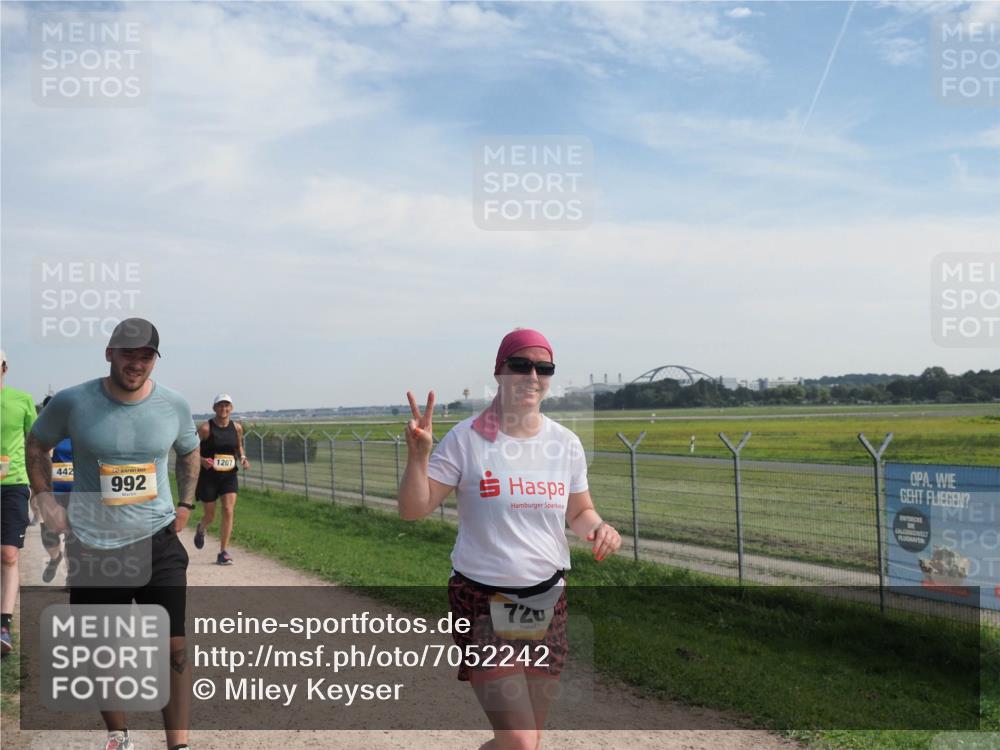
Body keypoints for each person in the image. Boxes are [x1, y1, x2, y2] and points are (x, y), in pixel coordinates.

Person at [397, 328, 622, 750]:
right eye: (520, 365)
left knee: (526, 742)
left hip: (545, 600)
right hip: (483, 600)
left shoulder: (565, 443)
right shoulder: (467, 439)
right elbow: (414, 509)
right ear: (499, 372)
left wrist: (599, 528)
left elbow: (578, 511)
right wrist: (418, 455)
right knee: (519, 740)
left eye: (544, 368)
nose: (532, 375)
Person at [26, 318, 201, 750]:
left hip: (157, 539)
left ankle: (178, 744)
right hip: (94, 545)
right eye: (128, 354)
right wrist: (45, 498)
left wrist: (185, 503)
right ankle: (119, 736)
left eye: (146, 357)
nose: (136, 364)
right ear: (110, 354)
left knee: (174, 647)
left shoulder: (173, 405)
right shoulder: (72, 401)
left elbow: (190, 451)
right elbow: (36, 444)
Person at [0, 350, 37, 656]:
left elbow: (35, 444)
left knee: (9, 554)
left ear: (5, 368)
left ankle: (4, 624)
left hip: (13, 483)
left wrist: (41, 488)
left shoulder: (22, 400)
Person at [192, 393, 249, 565]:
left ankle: (223, 551)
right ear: (214, 408)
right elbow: (191, 449)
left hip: (229, 475)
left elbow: (238, 445)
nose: (223, 409)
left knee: (228, 510)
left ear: (231, 408)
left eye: (227, 405)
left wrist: (243, 457)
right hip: (208, 477)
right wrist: (202, 460)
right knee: (210, 516)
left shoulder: (237, 428)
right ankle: (201, 528)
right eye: (220, 405)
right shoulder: (205, 428)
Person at [38, 395, 73, 586]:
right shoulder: (44, 433)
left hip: (77, 491)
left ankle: (71, 578)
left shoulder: (78, 430)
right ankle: (54, 557)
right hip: (53, 491)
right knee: (48, 533)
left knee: (72, 536)